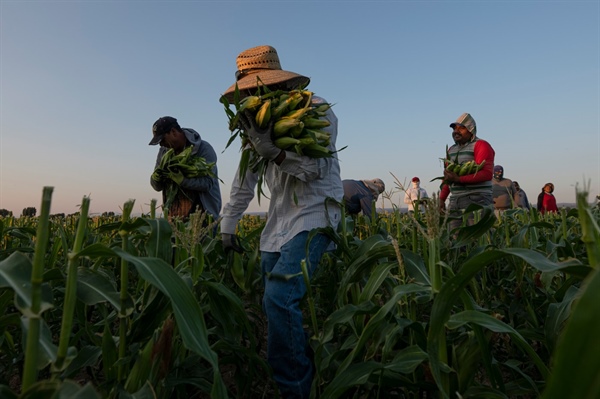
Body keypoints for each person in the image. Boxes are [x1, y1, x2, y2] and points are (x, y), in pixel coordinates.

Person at [219, 45, 343, 399]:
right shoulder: (253, 122)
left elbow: (316, 169)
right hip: (278, 223)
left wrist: (275, 151)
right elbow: (243, 179)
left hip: (315, 211)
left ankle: (294, 390)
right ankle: (305, 370)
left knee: (279, 297)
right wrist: (228, 224)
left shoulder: (315, 109)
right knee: (273, 299)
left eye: (256, 88)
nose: (251, 96)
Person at [149, 116, 222, 221]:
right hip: (173, 218)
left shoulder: (203, 149)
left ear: (173, 132)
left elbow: (208, 183)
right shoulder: (164, 152)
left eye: (162, 139)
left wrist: (183, 181)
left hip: (202, 218)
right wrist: (156, 178)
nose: (161, 144)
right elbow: (157, 187)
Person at [439, 113, 495, 230]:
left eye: (461, 128)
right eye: (455, 128)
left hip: (476, 199)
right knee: (455, 239)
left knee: (478, 238)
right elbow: (448, 178)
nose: (456, 131)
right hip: (455, 200)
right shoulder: (451, 150)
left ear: (471, 130)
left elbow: (486, 173)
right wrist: (441, 199)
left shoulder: (481, 145)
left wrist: (459, 179)